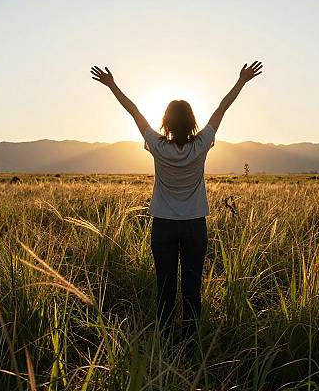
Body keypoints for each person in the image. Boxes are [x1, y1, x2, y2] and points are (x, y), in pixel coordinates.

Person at [90, 61, 263, 341]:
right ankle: (191, 344)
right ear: (192, 121)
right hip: (195, 225)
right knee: (192, 288)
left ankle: (167, 343)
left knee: (165, 288)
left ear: (166, 122)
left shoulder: (158, 146)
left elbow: (134, 111)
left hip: (164, 226)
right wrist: (241, 81)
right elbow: (221, 109)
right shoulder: (201, 144)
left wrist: (112, 85)